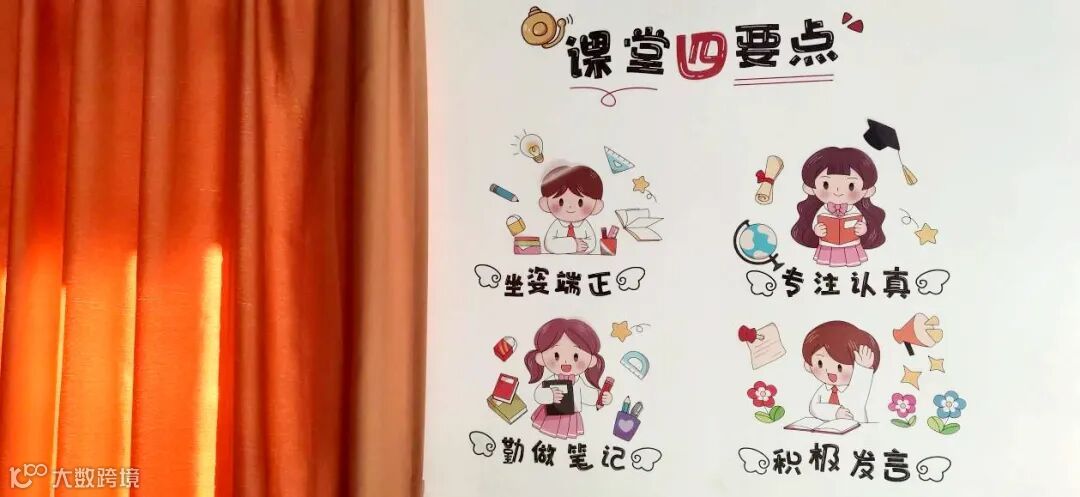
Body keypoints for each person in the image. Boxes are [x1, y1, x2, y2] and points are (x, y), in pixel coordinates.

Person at [791, 147, 886, 267]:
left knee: (852, 264)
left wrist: (863, 229)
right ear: (811, 187)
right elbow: (816, 221)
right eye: (826, 184)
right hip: (828, 244)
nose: (838, 191)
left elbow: (862, 221)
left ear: (867, 190)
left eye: (851, 186)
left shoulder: (854, 209)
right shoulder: (823, 209)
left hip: (851, 244)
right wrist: (816, 229)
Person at [524, 318, 612, 439]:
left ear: (592, 360)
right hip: (550, 415)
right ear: (540, 358)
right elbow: (538, 395)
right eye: (556, 355)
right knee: (545, 439)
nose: (566, 363)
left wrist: (602, 397)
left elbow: (588, 395)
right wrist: (550, 395)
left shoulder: (578, 382)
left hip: (570, 418)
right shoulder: (552, 380)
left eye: (576, 356)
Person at [802, 320, 880, 422]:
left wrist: (864, 368)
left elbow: (861, 386)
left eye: (840, 367)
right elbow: (814, 407)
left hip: (856, 428)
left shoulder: (855, 388)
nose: (830, 371)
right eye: (820, 363)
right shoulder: (823, 390)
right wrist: (835, 412)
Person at [538, 165, 604, 254]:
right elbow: (549, 244)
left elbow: (592, 244)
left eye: (580, 202)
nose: (570, 207)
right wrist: (573, 244)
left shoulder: (585, 225)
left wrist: (580, 246)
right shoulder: (557, 225)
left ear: (596, 206)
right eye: (561, 202)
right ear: (545, 203)